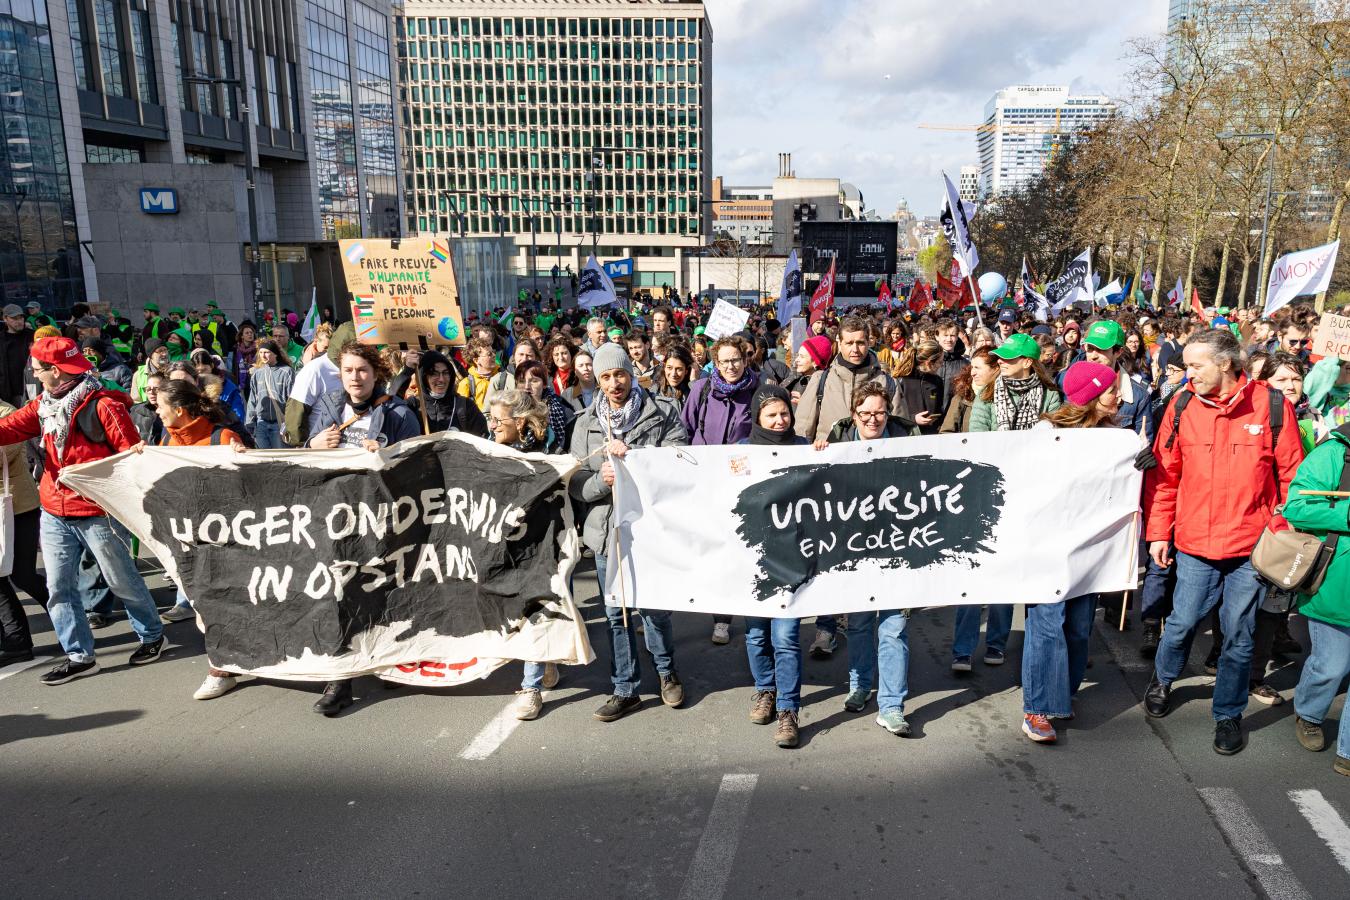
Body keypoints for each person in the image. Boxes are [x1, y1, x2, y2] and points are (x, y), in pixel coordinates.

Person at [1143, 328, 1302, 755]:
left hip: (1252, 549)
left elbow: (1292, 480)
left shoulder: (1273, 407)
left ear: (1226, 364)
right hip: (1194, 543)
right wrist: (1159, 532)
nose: (1186, 373)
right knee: (1180, 624)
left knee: (1240, 635)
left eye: (1196, 365)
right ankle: (1163, 678)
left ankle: (1228, 714)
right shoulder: (1180, 405)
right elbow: (1165, 478)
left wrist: (1281, 531)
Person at [0, 337, 165, 684]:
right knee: (60, 588)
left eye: (38, 367)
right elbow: (9, 428)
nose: (33, 372)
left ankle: (152, 635)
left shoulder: (104, 404)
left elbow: (128, 458)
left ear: (55, 371)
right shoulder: (43, 404)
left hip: (97, 510)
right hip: (54, 509)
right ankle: (79, 655)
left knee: (121, 579)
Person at [570, 342, 688, 722]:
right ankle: (625, 688)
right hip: (606, 534)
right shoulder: (586, 423)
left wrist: (631, 458)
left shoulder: (664, 413)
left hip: (650, 531)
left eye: (619, 374)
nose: (613, 382)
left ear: (631, 373)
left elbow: (679, 462)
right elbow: (575, 483)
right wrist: (603, 481)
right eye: (605, 376)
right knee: (615, 613)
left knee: (654, 610)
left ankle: (667, 672)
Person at [304, 342, 420, 716]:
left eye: (363, 370)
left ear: (376, 374)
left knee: (381, 587)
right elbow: (303, 456)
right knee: (337, 591)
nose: (355, 377)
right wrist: (313, 443)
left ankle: (387, 658)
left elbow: (417, 461)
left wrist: (388, 455)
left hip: (381, 517)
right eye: (349, 370)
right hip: (335, 516)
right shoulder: (326, 405)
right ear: (341, 372)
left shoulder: (399, 410)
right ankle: (340, 681)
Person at [1019, 362, 1121, 743]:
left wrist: (1142, 466)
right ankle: (1037, 708)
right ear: (1092, 396)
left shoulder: (1117, 437)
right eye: (1111, 390)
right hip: (1046, 546)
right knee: (1046, 625)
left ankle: (1063, 691)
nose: (1119, 397)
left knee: (1078, 628)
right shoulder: (1047, 432)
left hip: (1089, 546)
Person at [812, 382, 915, 737]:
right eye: (866, 413)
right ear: (854, 414)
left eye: (880, 413)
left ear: (889, 413)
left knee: (893, 627)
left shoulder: (908, 438)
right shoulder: (839, 439)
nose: (873, 419)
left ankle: (891, 705)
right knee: (857, 623)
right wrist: (819, 453)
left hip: (896, 545)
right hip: (852, 547)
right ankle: (859, 684)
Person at [959, 334, 1062, 671]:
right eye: (999, 357)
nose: (1000, 361)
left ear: (1028, 363)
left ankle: (996, 643)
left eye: (1008, 358)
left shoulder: (1050, 396)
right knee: (973, 575)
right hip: (986, 494)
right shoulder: (988, 394)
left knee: (1005, 574)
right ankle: (962, 648)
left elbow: (1051, 442)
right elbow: (976, 442)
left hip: (1027, 498)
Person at [148, 378, 249, 635]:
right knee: (205, 609)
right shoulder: (166, 445)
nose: (157, 411)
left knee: (230, 603)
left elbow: (247, 491)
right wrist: (140, 459)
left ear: (179, 410)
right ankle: (223, 660)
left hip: (228, 543)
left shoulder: (223, 438)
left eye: (161, 406)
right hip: (190, 543)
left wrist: (242, 457)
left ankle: (226, 662)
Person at [739, 384, 809, 749]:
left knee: (785, 637)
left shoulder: (803, 447)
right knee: (755, 634)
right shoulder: (739, 452)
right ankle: (765, 689)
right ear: (757, 418)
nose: (779, 420)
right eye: (771, 414)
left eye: (784, 413)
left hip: (793, 558)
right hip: (752, 561)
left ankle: (788, 709)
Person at [682, 335, 759, 644]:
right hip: (707, 483)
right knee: (717, 549)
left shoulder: (758, 390)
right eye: (724, 361)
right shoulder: (701, 390)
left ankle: (752, 609)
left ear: (745, 359)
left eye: (736, 360)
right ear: (716, 362)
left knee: (744, 548)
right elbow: (685, 430)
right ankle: (721, 617)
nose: (730, 366)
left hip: (744, 483)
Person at [1288, 423, 1350, 776]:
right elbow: (1296, 507)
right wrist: (1346, 514)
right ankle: (1309, 713)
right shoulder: (1334, 452)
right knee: (1331, 666)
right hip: (1337, 582)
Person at [794, 315, 902, 442]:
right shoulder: (820, 380)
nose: (855, 349)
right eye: (849, 343)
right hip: (829, 457)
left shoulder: (889, 383)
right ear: (840, 343)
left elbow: (901, 435)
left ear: (869, 342)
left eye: (860, 343)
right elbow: (802, 432)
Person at [0, 399, 46, 664]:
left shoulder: (8, 413)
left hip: (17, 507)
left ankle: (69, 620)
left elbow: (3, 455)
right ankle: (15, 642)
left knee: (24, 575)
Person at [283, 322, 352, 447]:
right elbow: (296, 413)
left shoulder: (363, 369)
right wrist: (306, 446)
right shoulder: (314, 370)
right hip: (320, 449)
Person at [403, 351, 490, 437]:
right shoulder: (413, 405)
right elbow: (391, 401)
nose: (441, 379)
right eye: (434, 374)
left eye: (445, 373)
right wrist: (407, 370)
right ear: (424, 377)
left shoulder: (466, 406)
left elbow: (482, 439)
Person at [515, 360, 573, 452]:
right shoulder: (508, 410)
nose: (527, 386)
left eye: (534, 381)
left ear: (545, 384)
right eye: (521, 381)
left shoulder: (564, 412)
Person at [244, 340, 294, 449]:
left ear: (275, 353)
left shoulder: (287, 372)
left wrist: (291, 424)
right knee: (262, 461)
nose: (263, 355)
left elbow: (292, 402)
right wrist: (249, 423)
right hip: (261, 423)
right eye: (261, 352)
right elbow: (252, 400)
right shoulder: (257, 373)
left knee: (281, 460)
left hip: (280, 424)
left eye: (266, 352)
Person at [939, 348, 997, 434]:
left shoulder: (1006, 395)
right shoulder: (963, 396)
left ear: (995, 369)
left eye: (977, 368)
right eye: (972, 367)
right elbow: (946, 433)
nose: (973, 373)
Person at [0, 303, 34, 407]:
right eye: (14, 318)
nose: (19, 321)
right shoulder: (1, 339)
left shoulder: (32, 335)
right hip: (8, 390)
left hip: (31, 386)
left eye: (21, 318)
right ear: (5, 319)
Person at [457, 339, 500, 412]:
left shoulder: (503, 376)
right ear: (476, 360)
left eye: (493, 352)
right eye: (489, 354)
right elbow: (461, 412)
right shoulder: (466, 384)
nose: (494, 355)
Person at [131, 338, 171, 403]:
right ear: (150, 355)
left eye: (165, 350)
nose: (164, 354)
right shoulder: (138, 375)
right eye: (160, 351)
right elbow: (136, 401)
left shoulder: (174, 371)